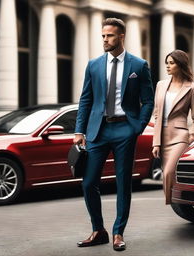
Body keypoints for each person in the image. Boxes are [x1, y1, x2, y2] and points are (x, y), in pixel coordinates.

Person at [74, 18, 154, 251]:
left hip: (124, 130)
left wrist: (136, 127)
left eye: (109, 35)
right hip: (98, 130)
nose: (105, 40)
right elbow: (86, 99)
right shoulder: (94, 65)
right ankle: (98, 230)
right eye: (103, 36)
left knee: (122, 183)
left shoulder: (139, 66)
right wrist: (79, 130)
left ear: (121, 36)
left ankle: (118, 232)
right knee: (89, 183)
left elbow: (147, 100)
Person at [152, 49, 194, 205]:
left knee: (168, 172)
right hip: (163, 136)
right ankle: (181, 202)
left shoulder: (192, 88)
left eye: (171, 63)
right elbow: (156, 115)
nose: (167, 66)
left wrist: (191, 136)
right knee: (169, 175)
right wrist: (156, 142)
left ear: (180, 65)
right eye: (166, 63)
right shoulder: (160, 85)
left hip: (180, 136)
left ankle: (174, 202)